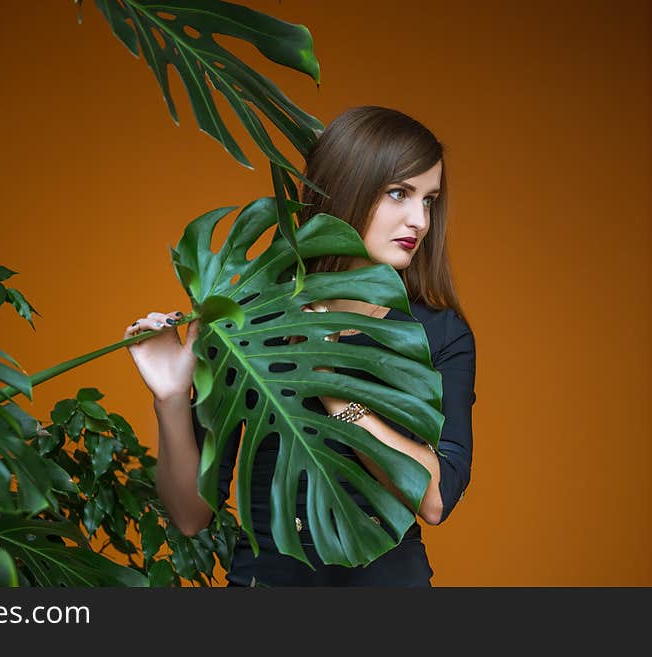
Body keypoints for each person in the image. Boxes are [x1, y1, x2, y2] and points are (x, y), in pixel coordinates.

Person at [124, 106, 477, 587]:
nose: (419, 219)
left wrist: (329, 382)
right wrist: (169, 398)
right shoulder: (252, 318)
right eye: (399, 193)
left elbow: (435, 499)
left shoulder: (438, 333)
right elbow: (191, 515)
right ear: (347, 187)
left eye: (429, 200)